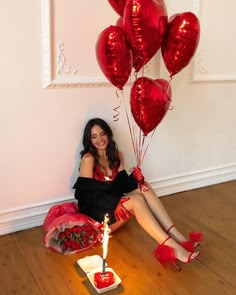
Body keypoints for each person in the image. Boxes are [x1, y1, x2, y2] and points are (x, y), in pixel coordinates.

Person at [73, 118, 202, 271]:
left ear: (108, 134)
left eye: (102, 134)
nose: (100, 140)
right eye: (94, 136)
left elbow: (120, 186)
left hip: (112, 206)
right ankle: (172, 247)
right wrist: (115, 204)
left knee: (144, 187)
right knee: (136, 201)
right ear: (89, 139)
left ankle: (179, 237)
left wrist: (136, 178)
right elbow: (86, 198)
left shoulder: (117, 155)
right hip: (98, 216)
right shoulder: (88, 159)